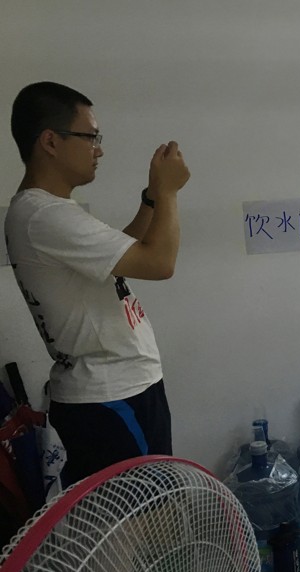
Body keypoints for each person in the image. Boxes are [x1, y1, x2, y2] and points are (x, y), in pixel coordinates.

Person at [6, 81, 190, 486]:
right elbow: (159, 262)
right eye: (90, 137)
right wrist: (171, 192)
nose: (99, 149)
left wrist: (152, 197)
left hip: (116, 389)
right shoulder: (45, 216)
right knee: (141, 517)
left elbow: (117, 259)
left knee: (140, 513)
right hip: (111, 395)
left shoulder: (45, 212)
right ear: (50, 141)